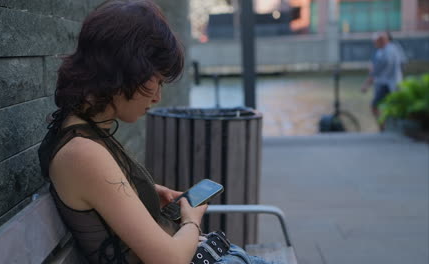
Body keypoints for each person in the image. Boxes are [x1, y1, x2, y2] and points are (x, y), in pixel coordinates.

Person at [38, 1, 275, 263]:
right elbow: (170, 260)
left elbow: (100, 193)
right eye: (157, 81)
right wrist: (191, 220)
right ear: (125, 69)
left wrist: (146, 192)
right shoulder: (81, 152)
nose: (158, 97)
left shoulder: (84, 133)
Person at [361, 31, 405, 129]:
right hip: (391, 83)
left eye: (376, 41)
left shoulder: (388, 51)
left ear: (382, 41)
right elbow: (402, 63)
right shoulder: (389, 50)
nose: (374, 44)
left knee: (375, 106)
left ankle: (383, 128)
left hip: (387, 84)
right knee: (390, 106)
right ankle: (387, 127)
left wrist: (367, 83)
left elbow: (378, 69)